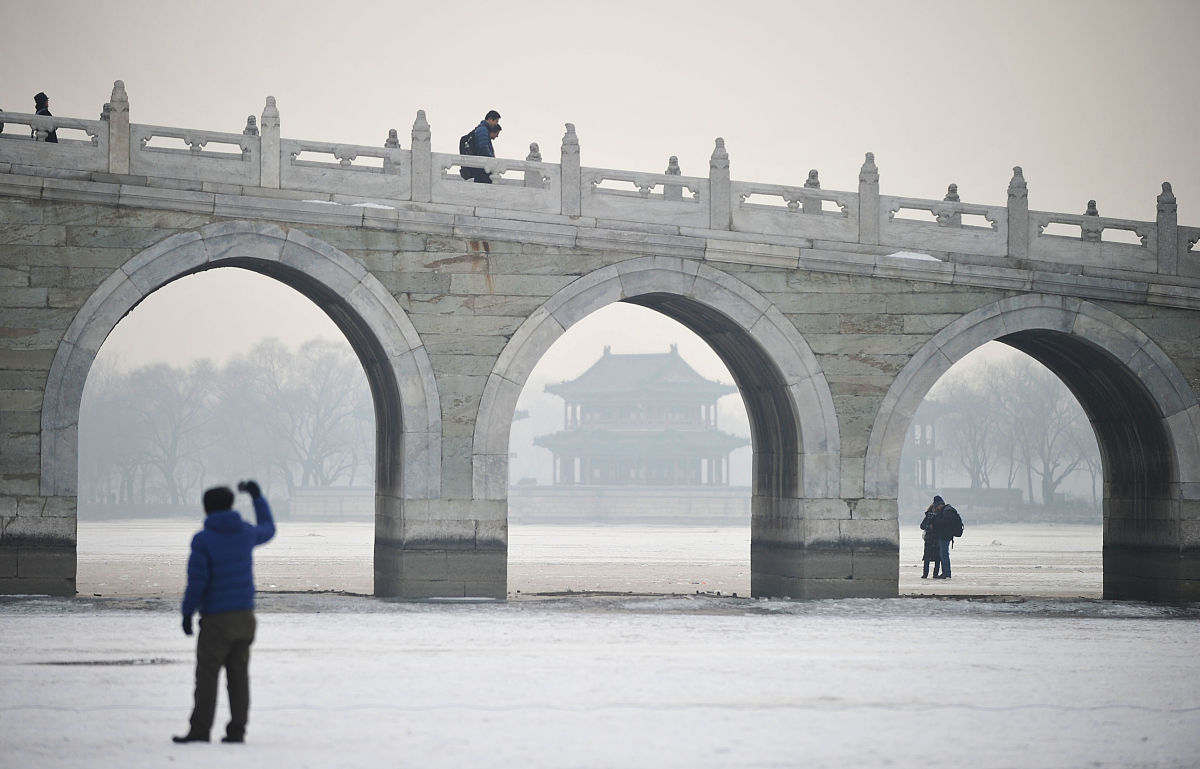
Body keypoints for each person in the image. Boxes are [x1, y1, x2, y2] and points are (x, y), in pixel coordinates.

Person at [173, 480, 276, 745]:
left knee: (207, 677)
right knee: (238, 678)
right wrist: (257, 497)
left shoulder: (203, 540)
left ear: (207, 509)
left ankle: (200, 730)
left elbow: (197, 581)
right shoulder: (245, 533)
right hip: (245, 617)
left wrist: (187, 613)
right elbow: (269, 529)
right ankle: (237, 731)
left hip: (217, 620)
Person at [929, 494, 963, 580]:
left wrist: (935, 520)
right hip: (945, 535)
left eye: (937, 506)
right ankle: (946, 572)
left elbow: (945, 523)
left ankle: (947, 573)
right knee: (943, 554)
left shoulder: (947, 511)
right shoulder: (947, 510)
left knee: (944, 554)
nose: (937, 508)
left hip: (945, 536)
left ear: (940, 504)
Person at [467, 109, 501, 183]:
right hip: (483, 167)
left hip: (482, 166)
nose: (496, 124)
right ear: (490, 119)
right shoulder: (483, 130)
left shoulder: (483, 129)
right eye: (496, 121)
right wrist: (491, 158)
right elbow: (483, 148)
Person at [919, 504, 941, 579]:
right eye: (933, 508)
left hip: (936, 539)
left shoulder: (940, 516)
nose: (934, 510)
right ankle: (925, 574)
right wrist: (928, 526)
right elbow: (922, 526)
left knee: (937, 558)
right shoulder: (928, 516)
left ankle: (935, 574)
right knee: (927, 558)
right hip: (929, 539)